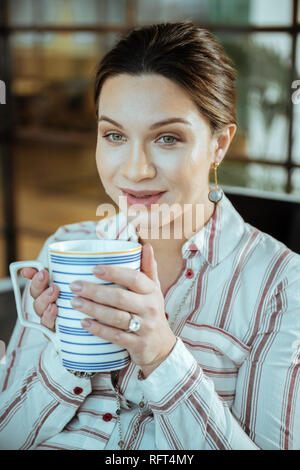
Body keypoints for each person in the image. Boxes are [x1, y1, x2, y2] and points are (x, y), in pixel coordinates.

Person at [1, 20, 300, 450]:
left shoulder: (281, 286)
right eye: (115, 135)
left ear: (220, 143)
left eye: (167, 137)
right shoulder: (63, 246)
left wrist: (161, 353)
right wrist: (67, 354)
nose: (135, 169)